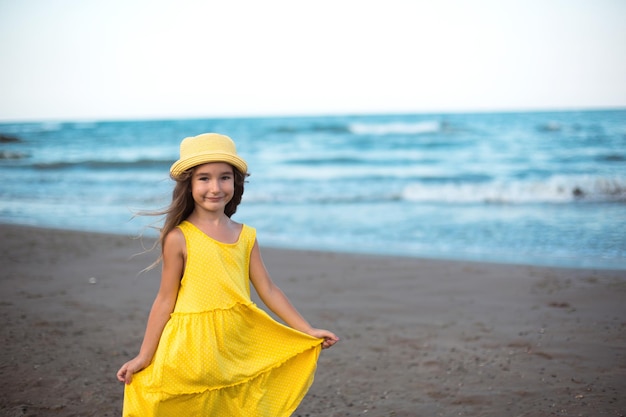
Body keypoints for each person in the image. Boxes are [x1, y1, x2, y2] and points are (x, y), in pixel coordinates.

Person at [116, 133, 339, 416]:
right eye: (204, 178)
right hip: (191, 344)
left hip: (236, 340)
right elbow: (164, 300)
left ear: (236, 183)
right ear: (189, 185)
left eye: (224, 177)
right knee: (179, 402)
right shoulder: (179, 238)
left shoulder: (245, 235)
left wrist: (305, 329)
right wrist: (144, 356)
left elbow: (268, 289)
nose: (215, 187)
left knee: (234, 403)